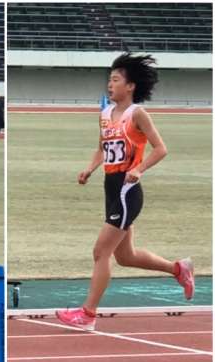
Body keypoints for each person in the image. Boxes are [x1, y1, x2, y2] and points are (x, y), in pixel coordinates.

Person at [56, 53, 194, 331]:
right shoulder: (105, 114)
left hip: (127, 191)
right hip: (111, 187)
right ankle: (178, 269)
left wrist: (139, 169)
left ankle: (88, 314)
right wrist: (90, 168)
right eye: (109, 80)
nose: (110, 84)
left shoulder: (137, 114)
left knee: (100, 252)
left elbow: (161, 149)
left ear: (130, 86)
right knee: (125, 256)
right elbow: (102, 148)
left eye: (116, 80)